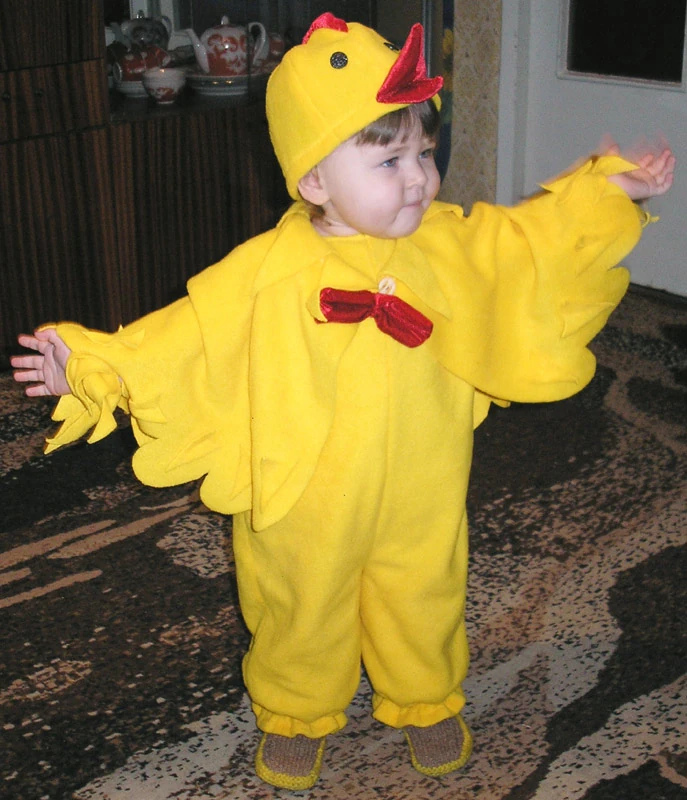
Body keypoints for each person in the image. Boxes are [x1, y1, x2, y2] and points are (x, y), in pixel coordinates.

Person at [11, 12, 674, 791]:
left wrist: (605, 191)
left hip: (423, 483)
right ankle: (296, 711)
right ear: (314, 181)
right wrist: (91, 366)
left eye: (422, 151)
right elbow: (179, 337)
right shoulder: (263, 271)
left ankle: (424, 696)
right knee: (301, 603)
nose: (418, 177)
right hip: (307, 498)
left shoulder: (447, 241)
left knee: (423, 587)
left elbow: (526, 243)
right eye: (387, 160)